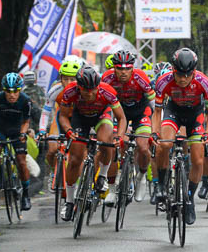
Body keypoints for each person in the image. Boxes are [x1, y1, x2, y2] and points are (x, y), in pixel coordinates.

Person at [151, 48, 208, 224]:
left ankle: (189, 199)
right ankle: (161, 185)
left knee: (198, 160)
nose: (183, 79)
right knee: (164, 145)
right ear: (173, 70)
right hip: (174, 112)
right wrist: (155, 132)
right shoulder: (163, 81)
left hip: (195, 115)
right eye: (179, 74)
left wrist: (207, 133)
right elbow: (157, 112)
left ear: (194, 71)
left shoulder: (204, 82)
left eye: (188, 75)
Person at [58, 66, 126, 221]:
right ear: (78, 87)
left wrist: (119, 137)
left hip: (101, 116)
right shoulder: (70, 91)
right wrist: (68, 130)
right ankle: (69, 202)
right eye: (85, 90)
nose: (89, 94)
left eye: (93, 90)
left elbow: (121, 118)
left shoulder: (107, 91)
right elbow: (63, 116)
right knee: (75, 159)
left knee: (105, 141)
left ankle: (102, 176)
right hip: (80, 118)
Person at [101, 50, 155, 204]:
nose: (123, 72)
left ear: (132, 68)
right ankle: (113, 186)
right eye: (119, 68)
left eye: (127, 68)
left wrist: (158, 123)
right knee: (116, 144)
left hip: (141, 112)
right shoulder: (107, 78)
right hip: (119, 112)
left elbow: (154, 102)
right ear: (114, 68)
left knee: (143, 146)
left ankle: (141, 176)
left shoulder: (140, 77)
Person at [0, 73, 33, 210]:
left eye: (15, 90)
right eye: (8, 91)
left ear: (20, 89)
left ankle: (26, 194)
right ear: (4, 90)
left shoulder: (26, 100)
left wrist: (22, 133)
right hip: (0, 130)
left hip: (17, 130)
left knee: (21, 161)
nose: (12, 94)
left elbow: (26, 122)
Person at [38, 56, 83, 192]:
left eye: (72, 79)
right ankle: (54, 172)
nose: (68, 82)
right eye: (65, 79)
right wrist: (41, 130)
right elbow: (46, 112)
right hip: (61, 119)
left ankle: (80, 182)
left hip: (79, 120)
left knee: (79, 155)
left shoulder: (85, 89)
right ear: (60, 78)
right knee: (52, 149)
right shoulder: (55, 90)